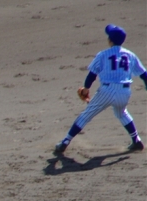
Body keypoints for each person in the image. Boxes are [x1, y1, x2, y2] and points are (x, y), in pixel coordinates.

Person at [54, 24, 147, 155]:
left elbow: (92, 75)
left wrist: (86, 89)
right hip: (124, 92)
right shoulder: (130, 55)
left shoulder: (103, 55)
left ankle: (65, 142)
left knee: (86, 115)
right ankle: (136, 140)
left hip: (107, 91)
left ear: (110, 40)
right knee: (122, 113)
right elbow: (144, 75)